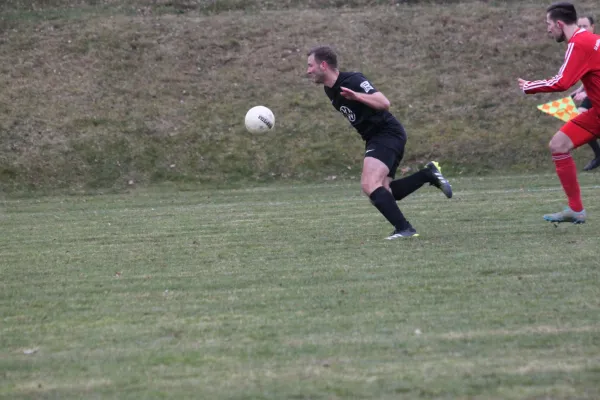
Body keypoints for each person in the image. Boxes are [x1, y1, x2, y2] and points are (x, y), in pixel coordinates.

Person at [306, 46, 452, 239]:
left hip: (386, 134)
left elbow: (383, 103)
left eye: (310, 65)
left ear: (323, 65)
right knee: (386, 192)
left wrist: (357, 96)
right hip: (376, 137)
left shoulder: (353, 80)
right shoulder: (329, 90)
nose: (308, 71)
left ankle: (405, 229)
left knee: (369, 184)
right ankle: (427, 174)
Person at [519, 2, 600, 224]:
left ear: (559, 23)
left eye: (548, 24)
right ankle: (576, 209)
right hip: (597, 114)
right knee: (559, 145)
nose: (548, 29)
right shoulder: (591, 40)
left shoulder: (578, 43)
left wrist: (529, 86)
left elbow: (562, 82)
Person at [570, 15, 599, 171]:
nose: (581, 29)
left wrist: (587, 94)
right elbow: (590, 73)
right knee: (579, 118)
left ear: (592, 27)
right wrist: (581, 89)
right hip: (593, 93)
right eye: (578, 26)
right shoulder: (583, 46)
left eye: (585, 26)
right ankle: (598, 154)